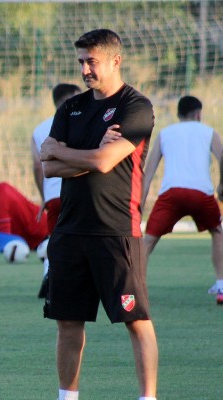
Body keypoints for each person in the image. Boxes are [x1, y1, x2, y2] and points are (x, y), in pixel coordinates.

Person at [40, 29, 158, 400]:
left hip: (115, 231)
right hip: (69, 230)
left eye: (91, 61)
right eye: (80, 62)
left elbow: (105, 162)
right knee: (67, 322)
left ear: (115, 60)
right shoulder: (70, 108)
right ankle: (67, 397)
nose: (84, 69)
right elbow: (48, 167)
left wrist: (64, 151)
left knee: (136, 320)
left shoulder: (135, 107)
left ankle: (148, 398)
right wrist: (90, 154)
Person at [141, 96, 223, 305]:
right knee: (217, 232)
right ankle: (221, 285)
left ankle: (136, 288)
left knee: (147, 240)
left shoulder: (165, 134)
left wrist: (139, 205)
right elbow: (222, 157)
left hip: (171, 194)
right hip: (201, 194)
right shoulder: (209, 132)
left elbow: (148, 174)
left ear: (178, 114)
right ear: (198, 113)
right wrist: (221, 185)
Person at [31, 83, 82, 298]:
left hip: (52, 195)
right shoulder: (80, 123)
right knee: (81, 239)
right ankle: (77, 283)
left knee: (55, 239)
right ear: (70, 100)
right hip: (77, 192)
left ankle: (49, 273)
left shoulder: (39, 129)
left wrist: (43, 196)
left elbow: (37, 166)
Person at [0, 164, 49, 250]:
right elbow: (3, 203)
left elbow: (5, 234)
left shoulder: (0, 203)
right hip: (44, 225)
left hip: (39, 236)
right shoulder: (3, 187)